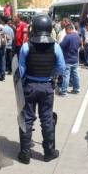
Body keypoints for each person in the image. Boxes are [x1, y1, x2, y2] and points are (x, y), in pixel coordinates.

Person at [18, 15, 65, 164]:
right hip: (47, 87)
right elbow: (61, 68)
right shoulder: (55, 46)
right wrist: (50, 74)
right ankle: (49, 152)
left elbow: (21, 70)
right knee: (47, 119)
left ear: (35, 28)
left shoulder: (26, 46)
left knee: (27, 119)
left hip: (30, 86)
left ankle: (25, 153)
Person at [59, 24, 81, 96]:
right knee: (76, 75)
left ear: (68, 29)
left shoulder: (67, 37)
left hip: (67, 59)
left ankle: (64, 91)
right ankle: (76, 89)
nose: (65, 32)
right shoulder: (77, 36)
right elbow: (80, 45)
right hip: (75, 59)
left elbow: (61, 45)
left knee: (66, 76)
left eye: (66, 30)